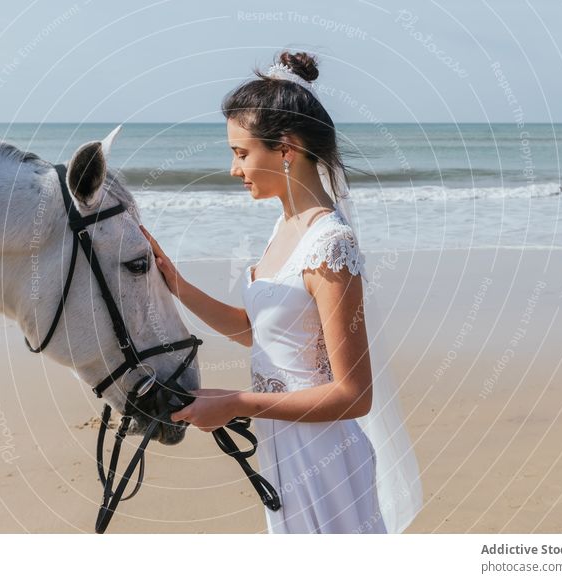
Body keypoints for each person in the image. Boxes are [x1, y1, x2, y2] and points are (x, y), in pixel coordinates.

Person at [140, 50, 422, 534]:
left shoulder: (330, 246)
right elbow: (260, 333)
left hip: (324, 458)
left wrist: (238, 403)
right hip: (283, 450)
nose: (234, 169)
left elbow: (354, 396)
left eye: (241, 153)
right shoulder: (284, 228)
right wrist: (177, 285)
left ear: (286, 148)